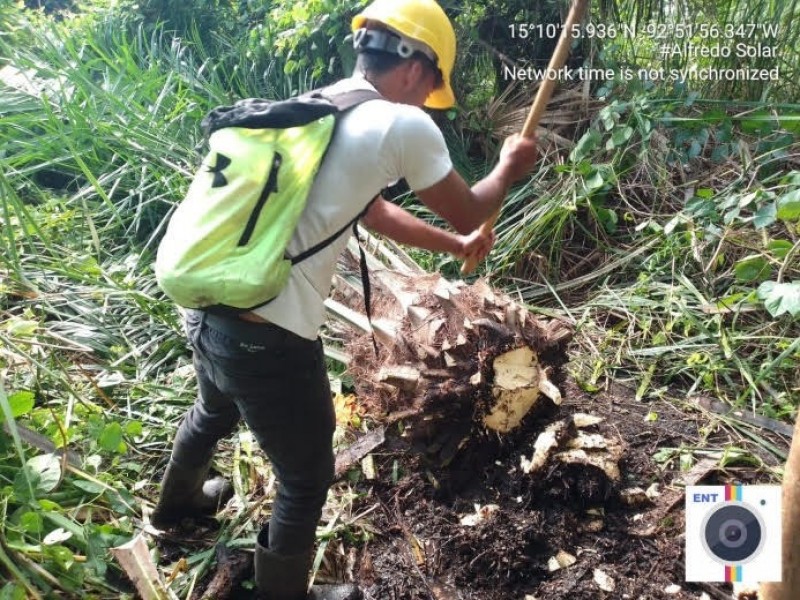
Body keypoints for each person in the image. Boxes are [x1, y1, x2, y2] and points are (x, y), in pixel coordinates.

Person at [151, 0, 538, 598]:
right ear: (417, 68)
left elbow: (374, 211)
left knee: (215, 408)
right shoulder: (400, 122)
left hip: (207, 306)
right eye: (432, 87)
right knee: (306, 477)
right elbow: (473, 202)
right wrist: (508, 168)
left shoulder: (324, 106)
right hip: (267, 336)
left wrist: (454, 243)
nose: (425, 102)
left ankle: (175, 511)